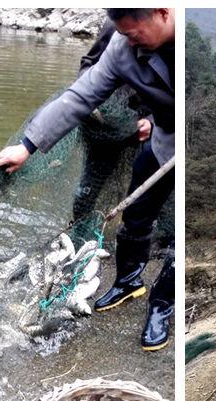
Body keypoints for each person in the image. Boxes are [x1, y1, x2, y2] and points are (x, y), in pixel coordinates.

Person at [0, 8, 175, 352]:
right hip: (164, 142)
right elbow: (79, 96)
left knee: (180, 236)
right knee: (135, 212)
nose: (129, 42)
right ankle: (129, 280)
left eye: (134, 34)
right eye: (124, 35)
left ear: (162, 13)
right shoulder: (123, 46)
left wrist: (154, 118)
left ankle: (161, 306)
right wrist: (27, 146)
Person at [70, 19, 152, 244]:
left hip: (141, 128)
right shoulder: (117, 25)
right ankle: (78, 233)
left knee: (145, 188)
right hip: (106, 127)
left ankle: (137, 237)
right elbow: (89, 63)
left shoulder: (168, 39)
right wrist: (93, 98)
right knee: (88, 188)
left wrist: (151, 121)